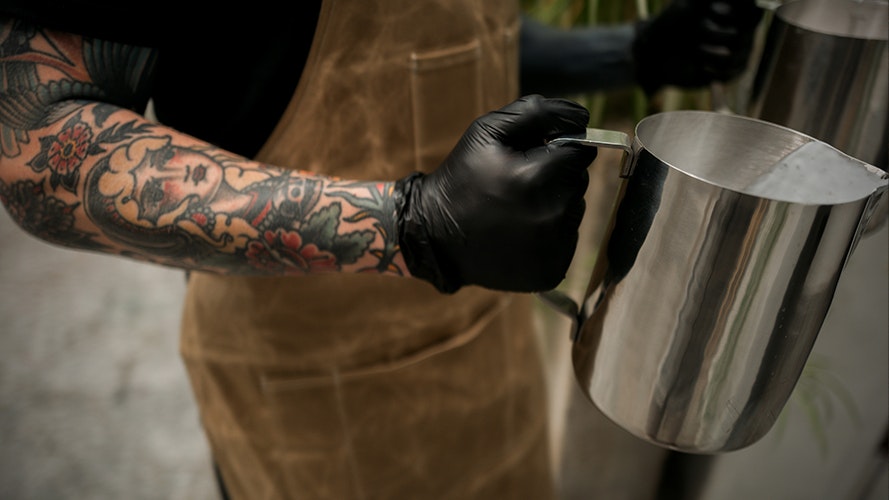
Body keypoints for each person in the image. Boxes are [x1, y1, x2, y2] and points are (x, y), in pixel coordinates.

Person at [0, 1, 762, 498]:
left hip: (488, 357)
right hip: (310, 393)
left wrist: (627, 54)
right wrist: (412, 223)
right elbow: (36, 146)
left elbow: (461, 32)